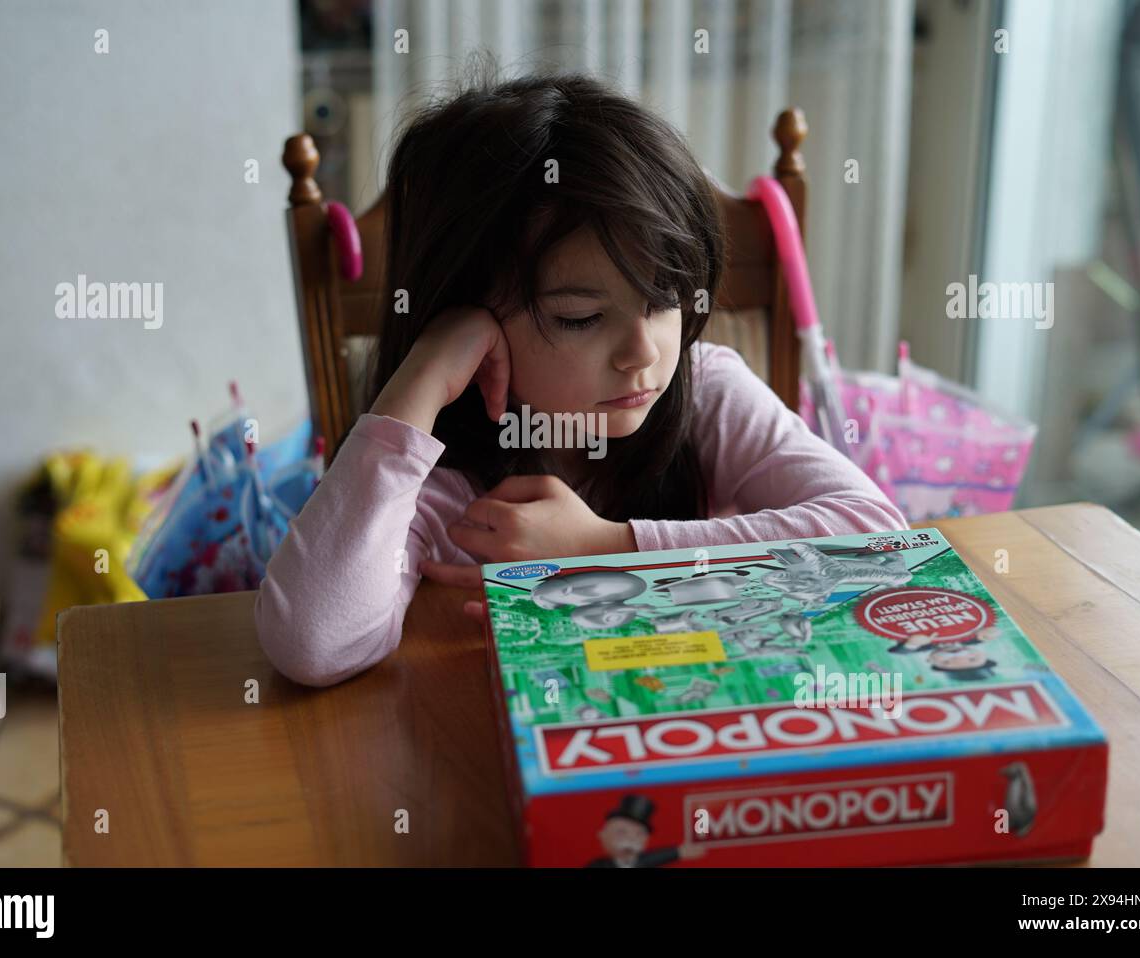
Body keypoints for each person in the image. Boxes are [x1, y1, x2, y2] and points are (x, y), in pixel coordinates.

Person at [255, 70, 907, 688]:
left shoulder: (706, 390)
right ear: (469, 312)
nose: (642, 353)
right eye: (581, 318)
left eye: (664, 299)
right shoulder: (444, 479)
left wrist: (607, 546)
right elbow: (315, 643)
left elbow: (877, 538)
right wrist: (420, 377)